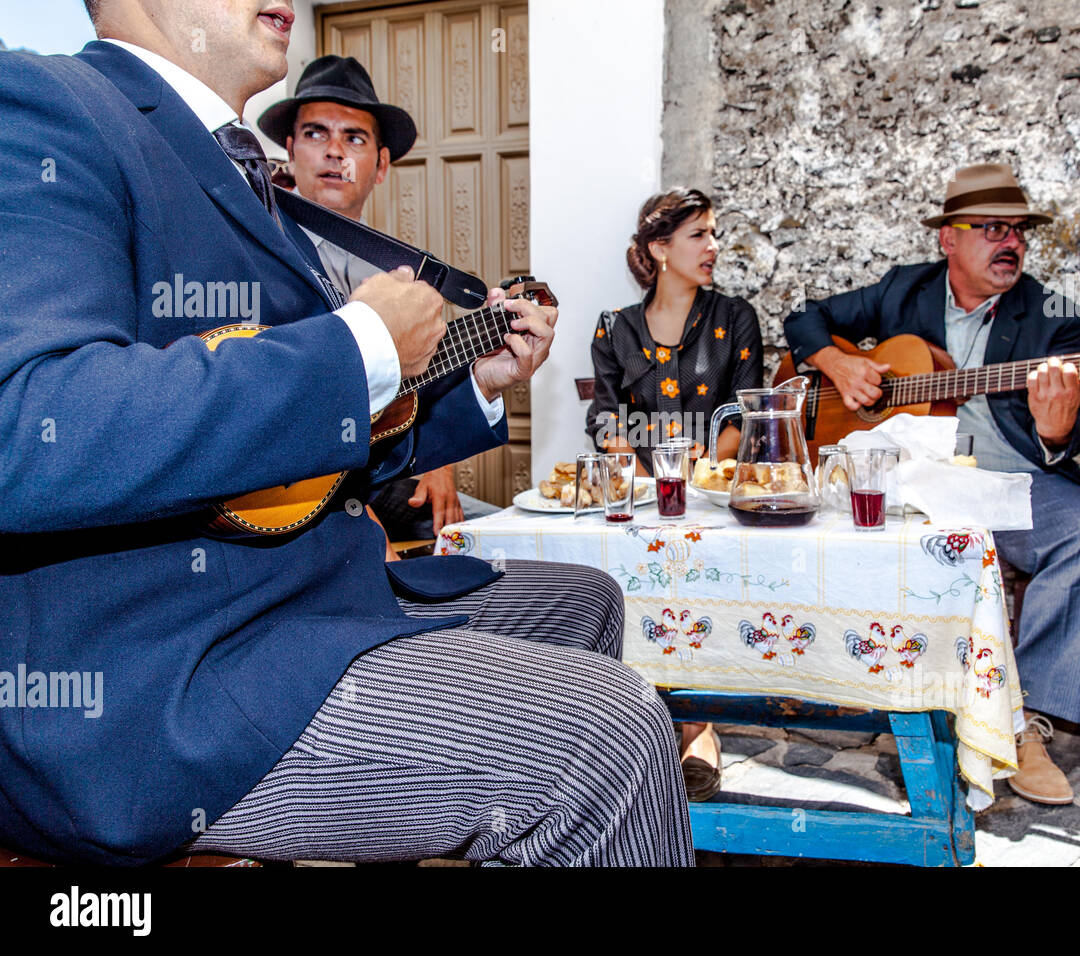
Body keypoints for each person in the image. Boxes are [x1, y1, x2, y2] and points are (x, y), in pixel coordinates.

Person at [0, 0, 692, 866]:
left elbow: (296, 463)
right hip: (162, 676)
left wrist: (473, 381)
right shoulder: (41, 102)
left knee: (584, 599)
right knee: (607, 735)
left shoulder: (235, 167)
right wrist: (360, 344)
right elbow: (23, 428)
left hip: (306, 594)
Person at [783, 163, 1080, 805]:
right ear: (949, 238)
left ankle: (1027, 724)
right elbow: (805, 318)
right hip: (906, 485)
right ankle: (849, 693)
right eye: (992, 229)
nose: (1011, 244)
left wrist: (1056, 432)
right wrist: (838, 362)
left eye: (1020, 232)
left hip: (1008, 482)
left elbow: (1071, 427)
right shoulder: (903, 290)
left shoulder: (1051, 317)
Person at [257, 55, 497, 543]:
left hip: (380, 469)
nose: (334, 153)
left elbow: (413, 389)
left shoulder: (398, 275)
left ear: (381, 165)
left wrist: (440, 464)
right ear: (290, 148)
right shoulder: (257, 252)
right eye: (316, 133)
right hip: (282, 495)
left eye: (354, 138)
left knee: (492, 534)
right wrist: (353, 516)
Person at [586, 187, 764, 800]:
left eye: (715, 234)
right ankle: (637, 717)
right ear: (659, 249)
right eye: (698, 236)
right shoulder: (615, 329)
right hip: (640, 495)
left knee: (697, 562)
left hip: (713, 496)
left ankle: (696, 725)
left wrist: (699, 467)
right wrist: (652, 470)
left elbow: (740, 416)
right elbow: (606, 423)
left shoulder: (735, 318)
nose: (713, 247)